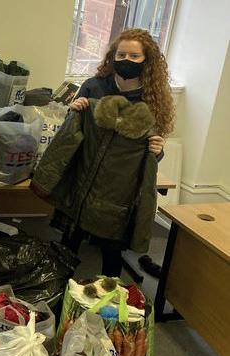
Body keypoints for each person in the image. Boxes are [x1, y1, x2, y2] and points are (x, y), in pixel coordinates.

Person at [61, 28, 174, 276]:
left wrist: (158, 150)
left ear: (146, 60)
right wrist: (73, 111)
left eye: (134, 56)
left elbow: (151, 151)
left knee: (111, 250)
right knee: (69, 242)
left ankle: (109, 296)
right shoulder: (94, 87)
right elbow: (71, 129)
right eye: (121, 55)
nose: (126, 60)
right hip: (84, 176)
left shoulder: (151, 100)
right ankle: (58, 289)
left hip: (118, 189)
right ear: (113, 55)